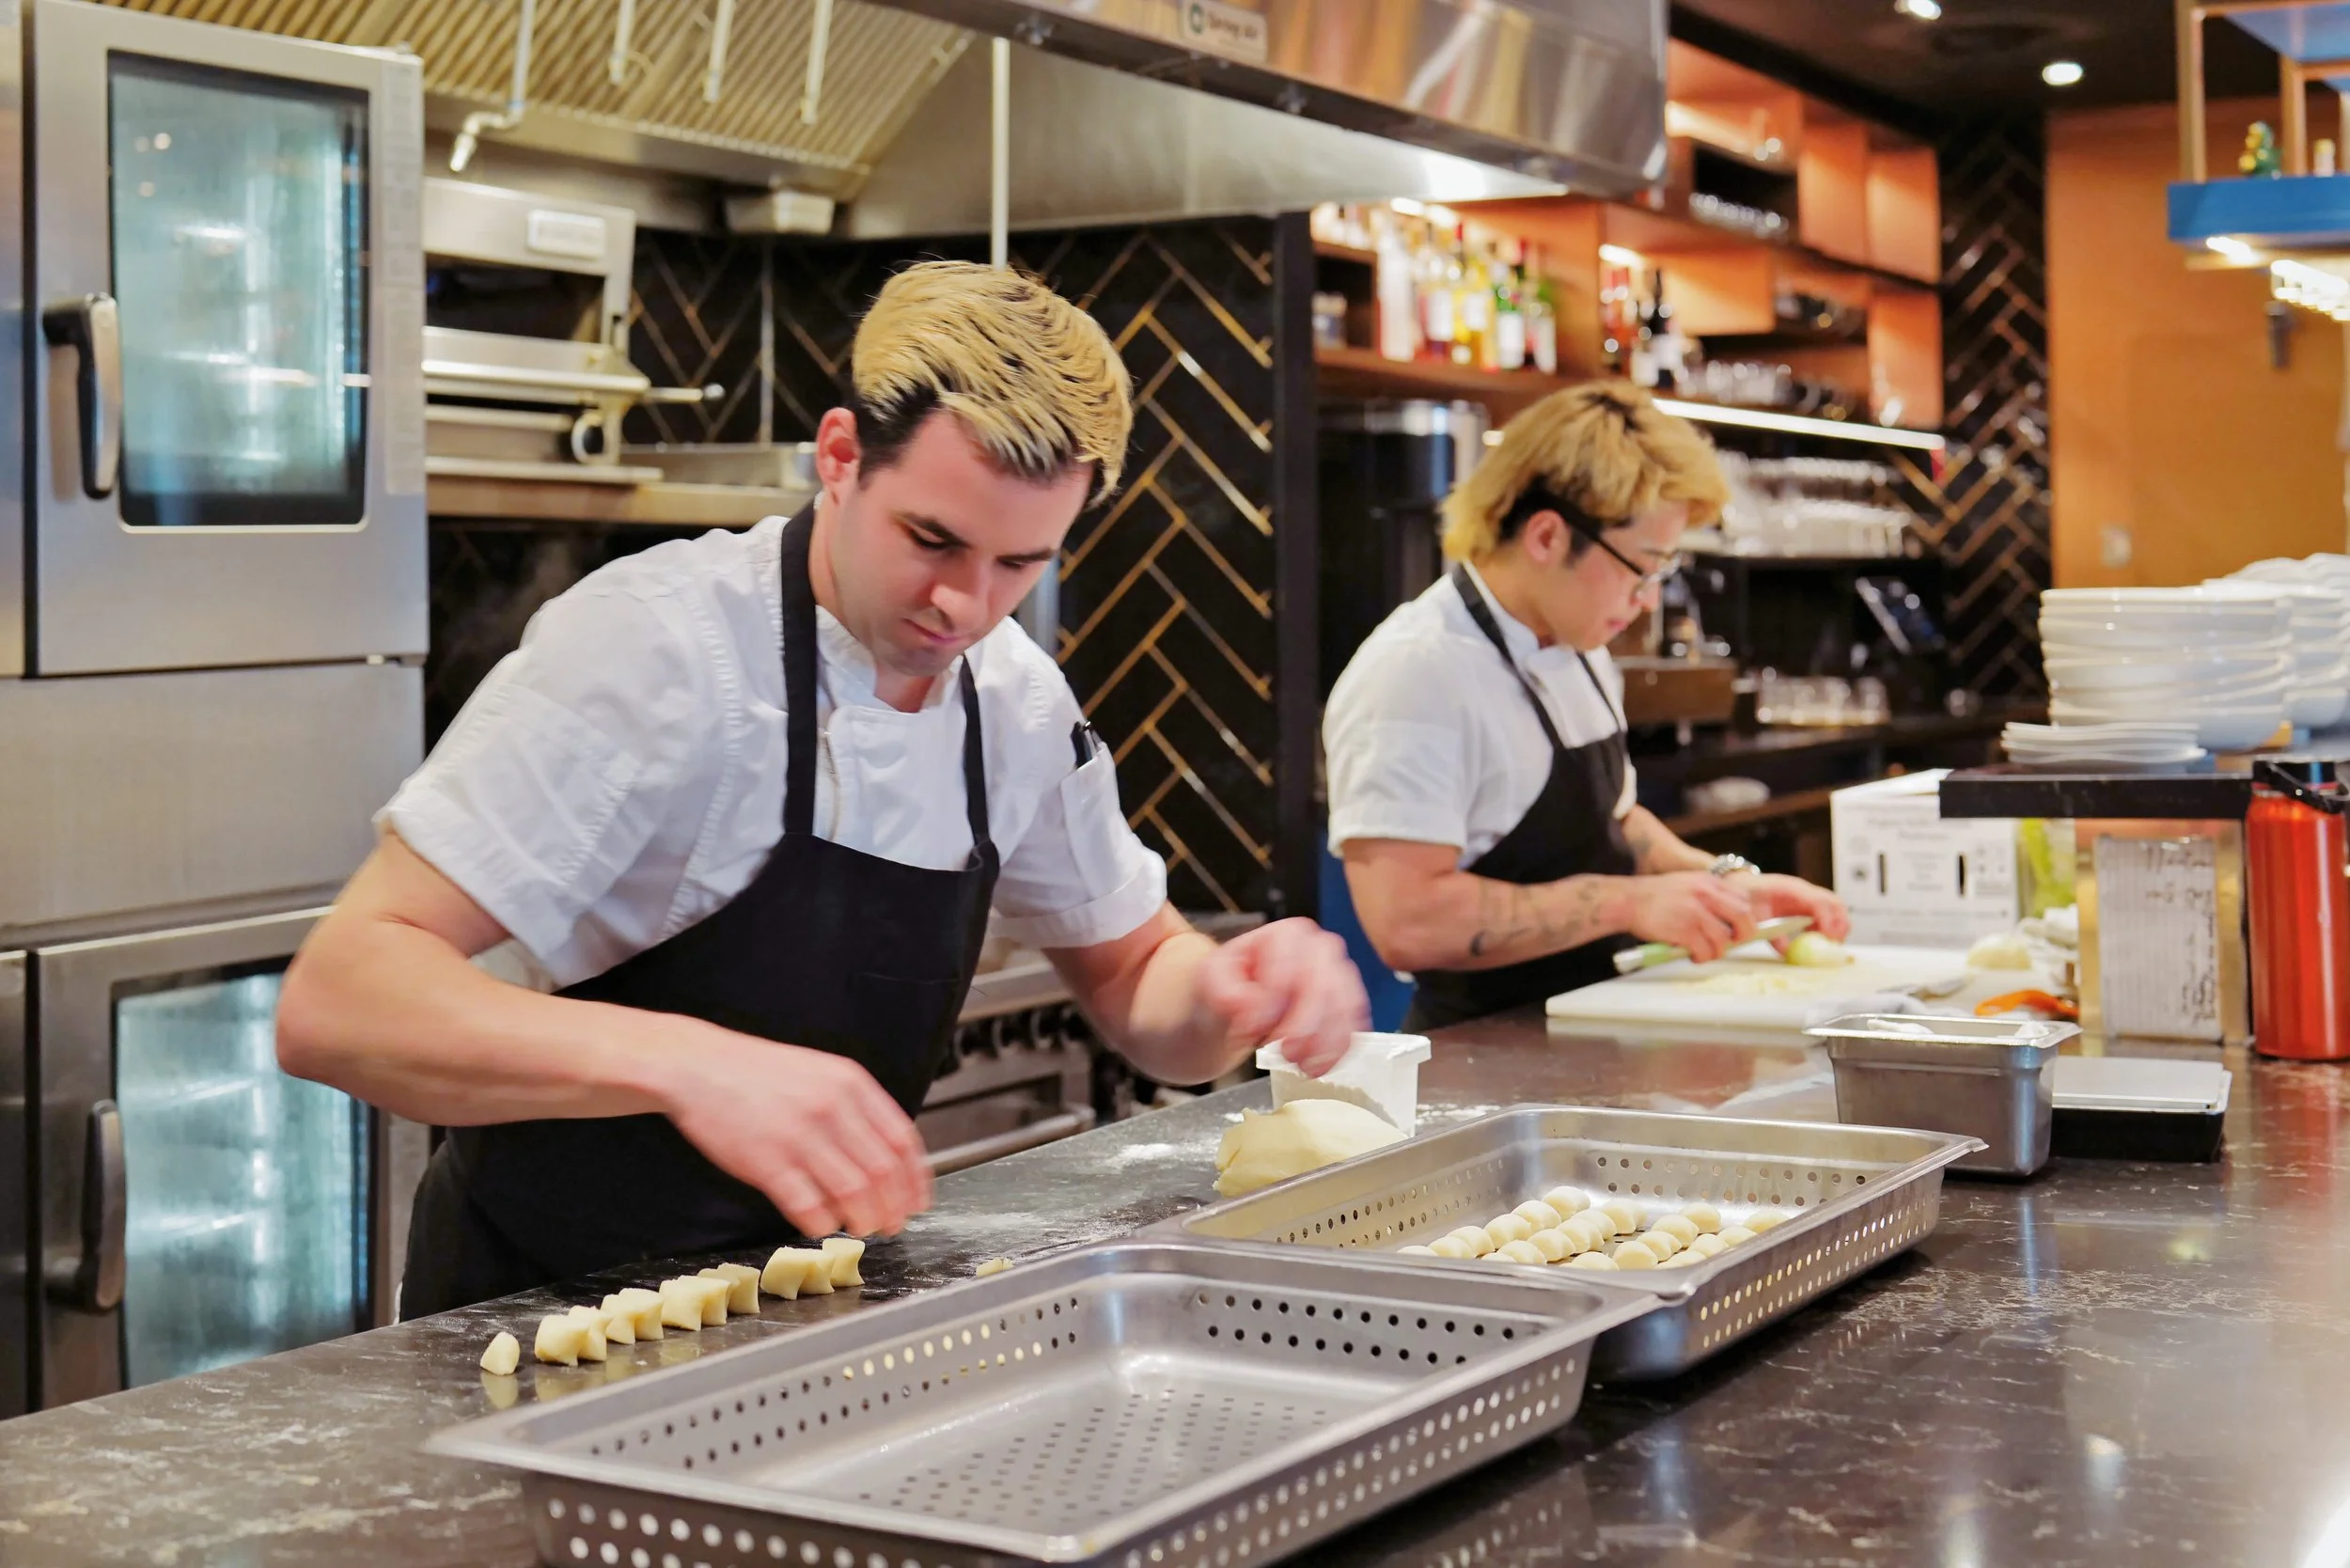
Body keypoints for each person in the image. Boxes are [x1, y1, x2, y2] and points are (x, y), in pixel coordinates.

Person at [276, 262, 1368, 1315]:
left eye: (1019, 564)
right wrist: (691, 1068)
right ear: (840, 456)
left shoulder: (1016, 704)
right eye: (930, 538)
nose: (965, 604)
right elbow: (340, 1001)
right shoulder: (655, 651)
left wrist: (1226, 996)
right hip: (540, 1322)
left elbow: (1137, 981)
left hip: (809, 1318)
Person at [1323, 382, 1848, 1032]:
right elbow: (1407, 921)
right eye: (1643, 568)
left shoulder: (1578, 645)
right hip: (1480, 1059)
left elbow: (1617, 822)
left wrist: (1726, 884)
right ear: (1547, 537)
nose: (1649, 600)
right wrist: (1629, 904)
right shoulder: (1416, 674)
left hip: (1593, 1024)